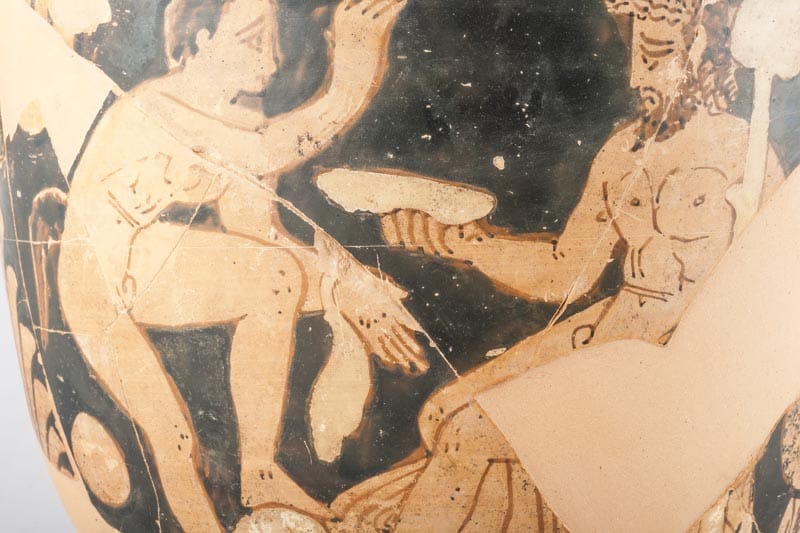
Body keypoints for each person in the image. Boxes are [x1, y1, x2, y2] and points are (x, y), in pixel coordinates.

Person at [328, 0, 787, 529]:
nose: (640, 77)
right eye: (635, 52)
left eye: (656, 53)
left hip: (677, 370)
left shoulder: (745, 154)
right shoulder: (625, 150)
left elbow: (766, 310)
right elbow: (565, 269)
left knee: (469, 435)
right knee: (439, 416)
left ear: (703, 48)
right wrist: (462, 243)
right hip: (612, 337)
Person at [56, 0, 423, 530]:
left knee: (275, 278)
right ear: (200, 38)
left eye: (273, 42)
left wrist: (350, 285)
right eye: (252, 39)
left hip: (147, 258)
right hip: (94, 280)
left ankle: (260, 472)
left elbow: (263, 245)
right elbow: (268, 151)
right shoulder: (160, 105)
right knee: (174, 439)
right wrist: (350, 80)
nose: (270, 60)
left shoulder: (243, 121)